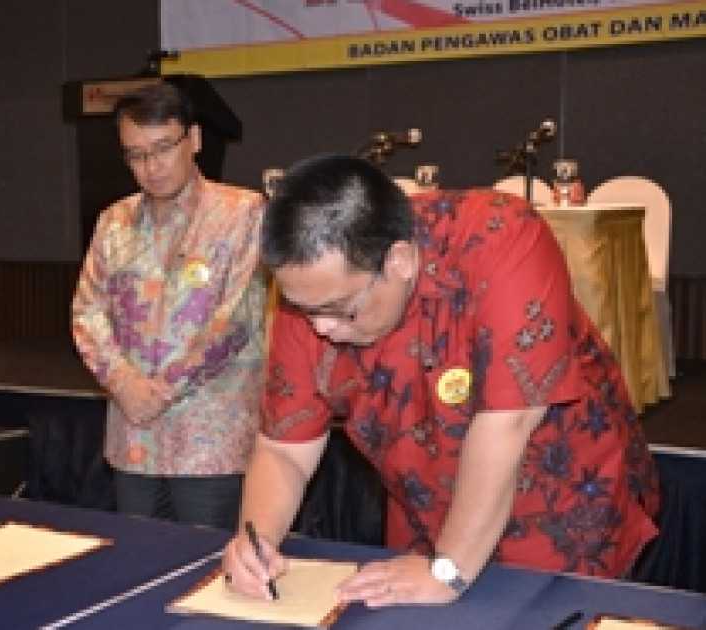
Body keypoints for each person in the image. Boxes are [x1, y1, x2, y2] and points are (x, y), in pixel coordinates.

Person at [223, 154, 660, 606]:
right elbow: (284, 449)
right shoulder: (316, 292)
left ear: (399, 260)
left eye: (339, 310)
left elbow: (507, 425)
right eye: (303, 310)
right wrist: (258, 541)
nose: (320, 329)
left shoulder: (502, 237)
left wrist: (447, 569)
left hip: (560, 517)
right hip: (427, 522)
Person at [70, 83, 269, 530]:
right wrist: (123, 383)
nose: (152, 166)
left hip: (209, 441)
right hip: (134, 438)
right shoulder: (114, 221)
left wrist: (161, 391)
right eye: (136, 155)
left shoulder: (243, 212)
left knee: (205, 561)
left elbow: (237, 319)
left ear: (193, 139)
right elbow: (87, 311)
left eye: (163, 148)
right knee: (138, 556)